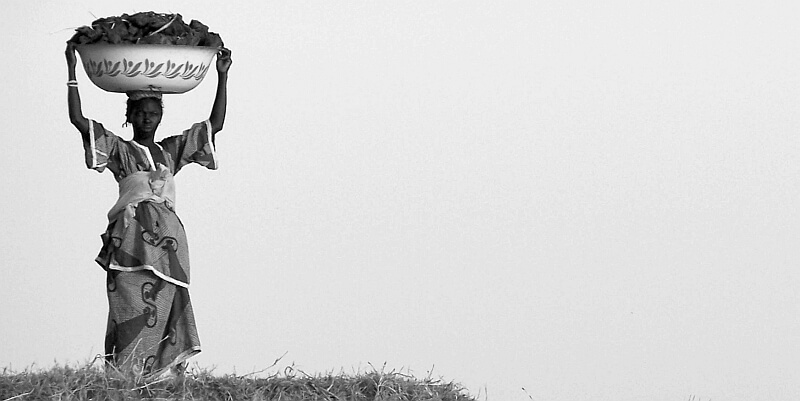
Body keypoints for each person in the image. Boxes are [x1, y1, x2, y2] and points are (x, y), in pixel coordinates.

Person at [65, 41, 232, 378]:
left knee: (166, 304)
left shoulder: (170, 151)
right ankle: (125, 377)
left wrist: (222, 76)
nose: (146, 118)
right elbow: (79, 121)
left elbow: (214, 125)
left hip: (169, 248)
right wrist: (71, 70)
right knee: (128, 306)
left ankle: (161, 378)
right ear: (129, 115)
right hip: (130, 243)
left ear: (160, 116)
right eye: (140, 112)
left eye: (153, 113)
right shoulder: (119, 149)